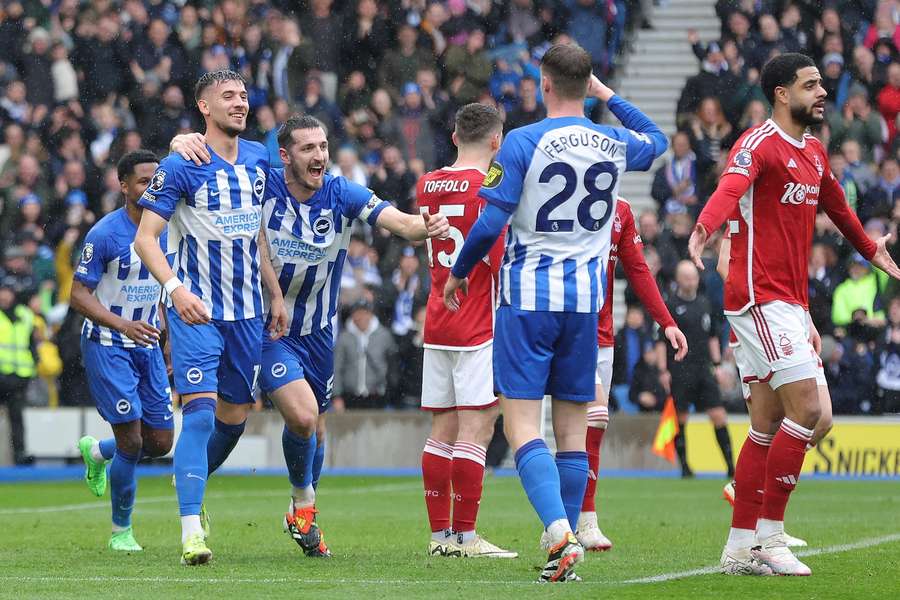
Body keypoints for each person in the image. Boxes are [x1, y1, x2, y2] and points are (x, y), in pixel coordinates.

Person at [171, 113, 449, 558]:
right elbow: (217, 159)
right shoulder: (262, 182)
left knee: (311, 427)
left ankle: (284, 504)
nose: (319, 155)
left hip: (318, 333)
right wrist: (183, 138)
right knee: (299, 416)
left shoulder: (341, 193)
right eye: (308, 148)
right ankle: (296, 504)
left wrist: (426, 225)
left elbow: (397, 221)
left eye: (322, 147)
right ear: (285, 156)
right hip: (266, 325)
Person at [443, 43, 667, 582]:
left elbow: (491, 223)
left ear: (543, 84)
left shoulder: (521, 141)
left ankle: (561, 534)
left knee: (523, 429)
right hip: (586, 307)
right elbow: (656, 141)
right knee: (572, 431)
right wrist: (608, 96)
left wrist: (459, 269)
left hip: (527, 301)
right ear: (587, 84)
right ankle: (566, 539)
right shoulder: (612, 140)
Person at [688, 53, 900, 576]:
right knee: (806, 412)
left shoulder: (814, 152)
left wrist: (871, 248)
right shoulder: (758, 143)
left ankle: (740, 546)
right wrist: (704, 227)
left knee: (773, 424)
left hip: (789, 300)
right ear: (782, 93)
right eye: (810, 85)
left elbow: (838, 209)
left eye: (822, 84)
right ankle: (768, 536)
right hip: (759, 296)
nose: (821, 92)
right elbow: (729, 189)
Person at [134, 70, 285, 566]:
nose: (239, 104)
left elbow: (256, 236)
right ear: (204, 106)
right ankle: (191, 530)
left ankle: (189, 478)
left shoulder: (261, 159)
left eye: (243, 96)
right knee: (198, 414)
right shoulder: (182, 164)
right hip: (197, 311)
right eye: (228, 97)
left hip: (248, 314)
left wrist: (275, 293)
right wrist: (175, 291)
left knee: (233, 421)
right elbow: (146, 239)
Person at [416, 103, 516, 559]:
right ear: (497, 141)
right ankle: (466, 537)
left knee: (441, 431)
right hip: (479, 318)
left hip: (439, 317)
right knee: (476, 430)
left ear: (454, 136)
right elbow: (493, 254)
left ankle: (440, 538)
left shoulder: (429, 183)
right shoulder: (491, 187)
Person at [70, 150, 174, 552]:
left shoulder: (166, 230)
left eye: (156, 180)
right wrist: (122, 323)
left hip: (147, 344)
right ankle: (121, 532)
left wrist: (164, 328)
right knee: (132, 440)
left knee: (160, 441)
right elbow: (78, 295)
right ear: (124, 186)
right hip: (108, 343)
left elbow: (166, 284)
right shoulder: (105, 234)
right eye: (143, 181)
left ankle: (98, 452)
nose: (151, 188)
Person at [577, 198, 687, 551]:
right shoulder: (559, 190)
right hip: (564, 327)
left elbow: (638, 269)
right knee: (592, 417)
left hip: (602, 334)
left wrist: (666, 321)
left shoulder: (620, 210)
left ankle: (572, 520)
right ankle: (576, 520)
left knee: (588, 427)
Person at [717, 231, 833, 549]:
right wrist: (758, 301)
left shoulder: (788, 208)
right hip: (759, 318)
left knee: (820, 418)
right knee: (770, 424)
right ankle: (761, 525)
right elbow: (725, 265)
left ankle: (755, 503)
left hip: (791, 318)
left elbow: (793, 273)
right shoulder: (749, 205)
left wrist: (806, 317)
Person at [656, 260, 734, 479]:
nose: (691, 281)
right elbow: (661, 341)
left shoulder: (704, 303)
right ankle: (685, 467)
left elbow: (712, 337)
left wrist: (717, 366)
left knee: (718, 414)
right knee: (681, 417)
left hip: (703, 368)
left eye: (694, 277)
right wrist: (663, 370)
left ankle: (731, 466)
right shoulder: (670, 305)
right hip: (680, 369)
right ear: (679, 279)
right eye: (687, 277)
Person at [0, 279, 37, 465]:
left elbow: (31, 345)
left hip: (18, 377)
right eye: (2, 291)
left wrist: (33, 366)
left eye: (8, 291)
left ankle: (20, 454)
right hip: (1, 375)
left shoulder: (26, 315)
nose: (5, 295)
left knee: (17, 418)